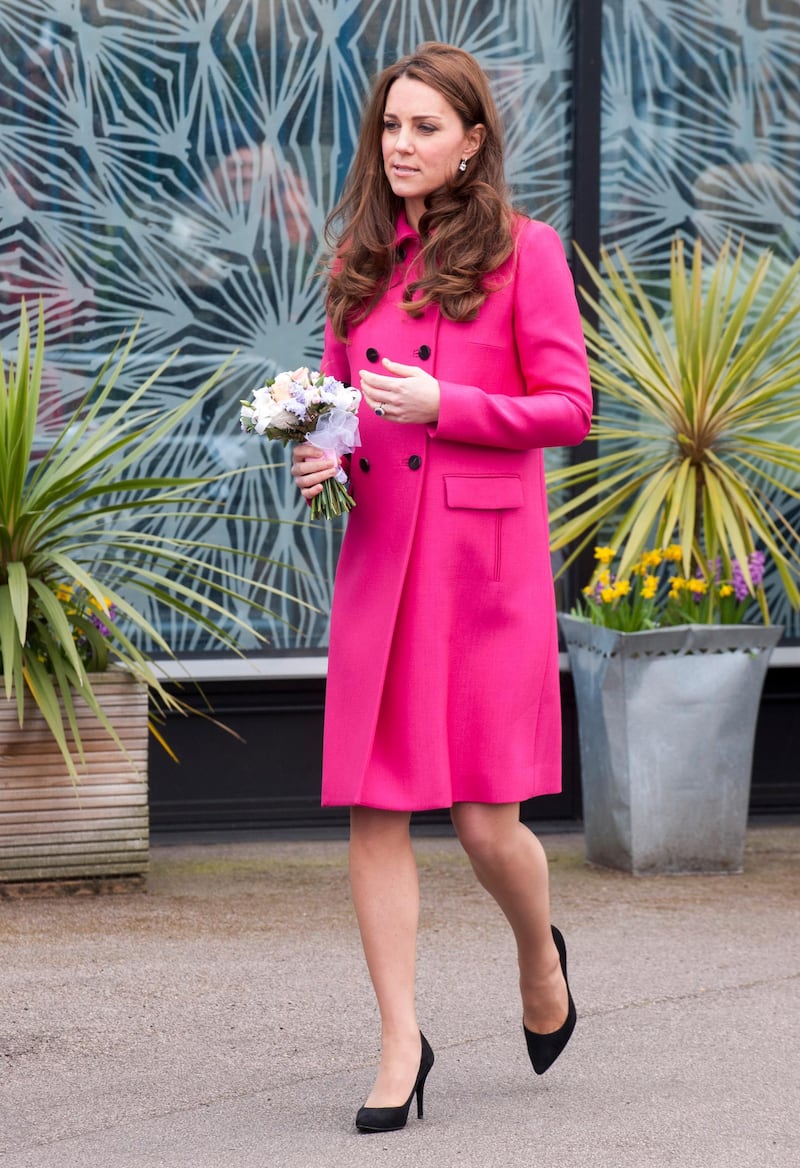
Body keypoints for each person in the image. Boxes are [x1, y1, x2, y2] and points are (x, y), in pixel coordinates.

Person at [291, 42, 593, 1133]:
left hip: (481, 572)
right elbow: (333, 400)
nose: (401, 145)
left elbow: (567, 407)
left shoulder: (528, 252)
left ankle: (536, 953)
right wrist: (320, 450)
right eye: (389, 127)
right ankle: (397, 1041)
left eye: (424, 128)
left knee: (480, 822)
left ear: (471, 143)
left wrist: (446, 405)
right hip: (379, 559)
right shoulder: (357, 260)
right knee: (375, 810)